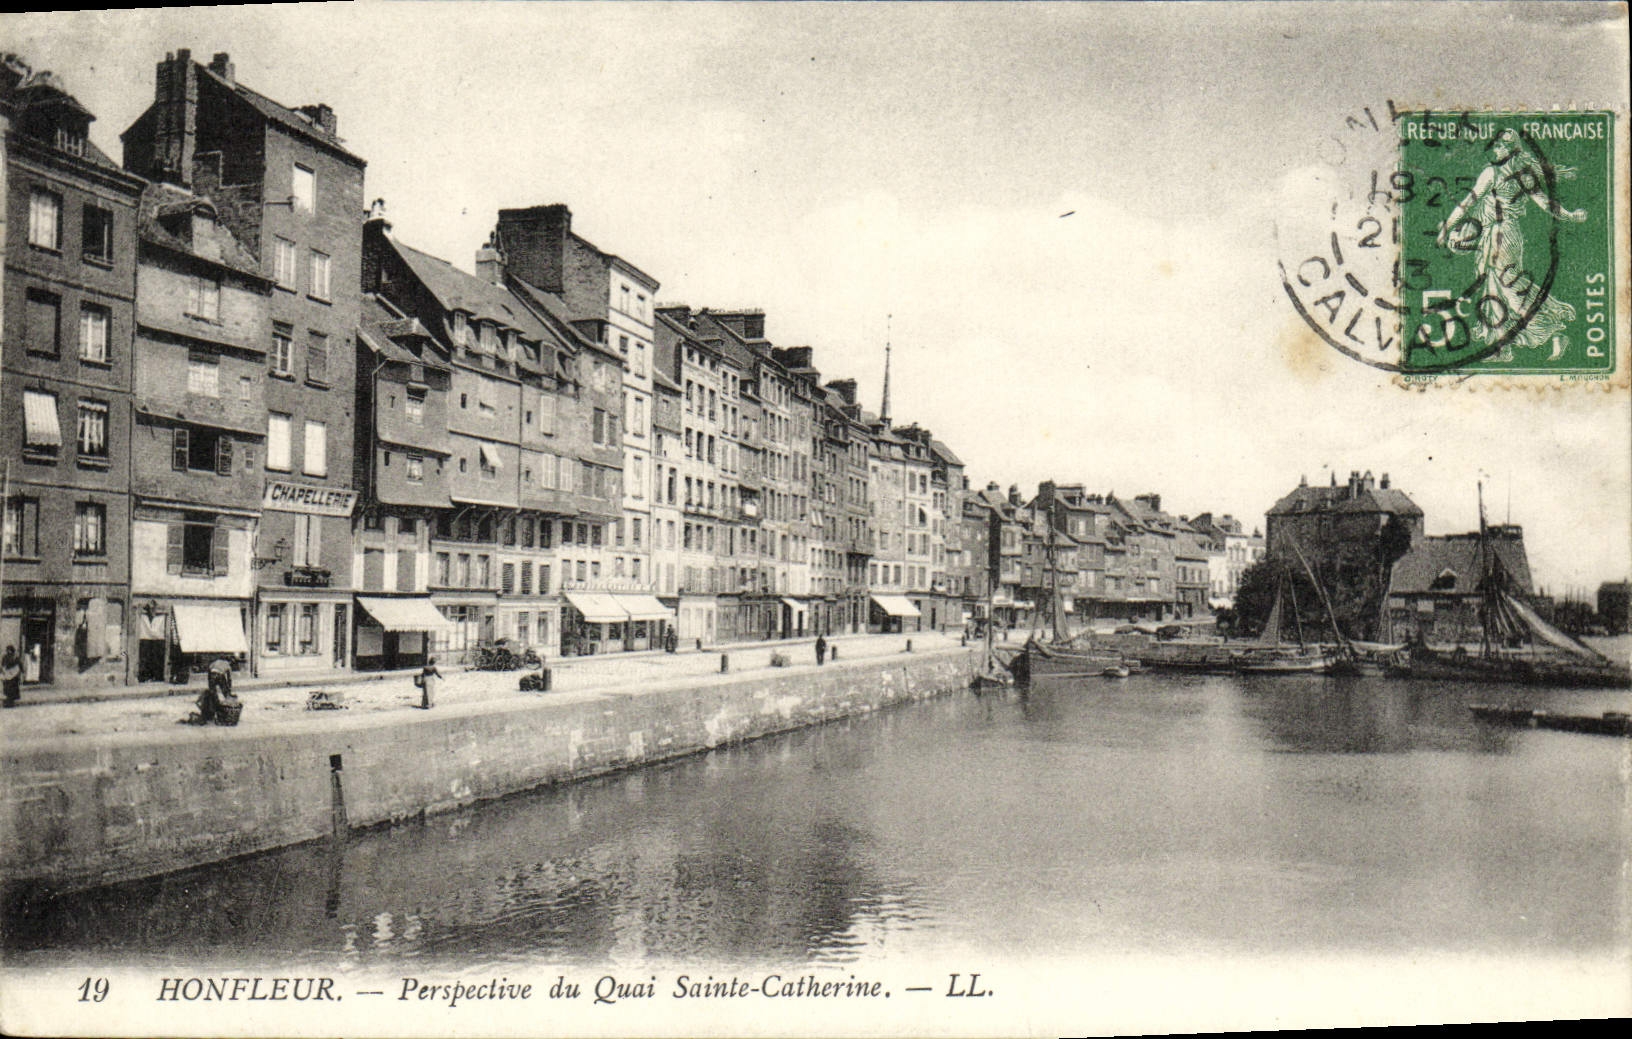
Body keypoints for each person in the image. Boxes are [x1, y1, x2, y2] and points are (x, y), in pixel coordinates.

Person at [1436, 128, 1588, 362]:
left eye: (1498, 146)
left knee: (1507, 288)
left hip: (1499, 235)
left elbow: (1467, 202)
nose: (1494, 150)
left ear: (1509, 150)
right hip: (1509, 235)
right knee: (1493, 286)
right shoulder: (1524, 175)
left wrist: (1447, 227)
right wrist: (1570, 215)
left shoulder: (1491, 173)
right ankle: (1501, 347)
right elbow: (1548, 205)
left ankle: (1552, 331)